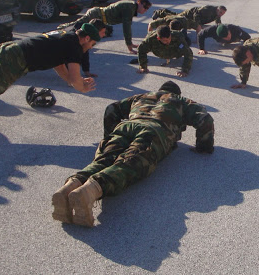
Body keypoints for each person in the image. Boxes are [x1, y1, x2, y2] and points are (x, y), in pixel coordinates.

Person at [51, 81, 214, 227]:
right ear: (177, 93)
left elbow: (111, 110)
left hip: (126, 126)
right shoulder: (181, 101)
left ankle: (71, 186)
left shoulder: (142, 96)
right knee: (131, 163)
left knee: (104, 158)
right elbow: (205, 119)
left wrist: (109, 136)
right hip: (153, 131)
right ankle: (92, 190)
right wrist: (203, 146)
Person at [58, 0, 152, 54]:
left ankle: (64, 36)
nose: (145, 10)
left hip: (100, 18)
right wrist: (129, 45)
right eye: (145, 7)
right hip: (96, 15)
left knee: (80, 30)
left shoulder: (131, 7)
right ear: (139, 3)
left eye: (147, 9)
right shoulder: (130, 7)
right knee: (76, 26)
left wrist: (129, 43)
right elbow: (126, 27)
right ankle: (60, 31)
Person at [152, 5, 226, 34]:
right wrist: (198, 25)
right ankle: (159, 12)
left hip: (192, 17)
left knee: (175, 15)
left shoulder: (217, 14)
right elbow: (196, 14)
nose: (221, 14)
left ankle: (162, 12)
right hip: (189, 14)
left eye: (222, 14)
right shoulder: (208, 9)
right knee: (174, 17)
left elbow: (218, 23)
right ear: (217, 9)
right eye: (220, 12)